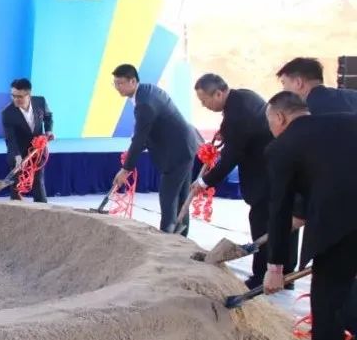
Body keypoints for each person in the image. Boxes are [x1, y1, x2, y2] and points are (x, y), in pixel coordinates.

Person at [264, 91, 357, 340]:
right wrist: (305, 212)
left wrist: (275, 267)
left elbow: (279, 209)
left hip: (341, 228)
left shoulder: (281, 147)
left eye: (270, 122)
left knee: (327, 303)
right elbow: (334, 171)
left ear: (280, 117)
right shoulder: (347, 120)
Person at [192, 74, 297, 289]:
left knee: (262, 223)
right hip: (281, 169)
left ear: (218, 93)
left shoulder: (237, 114)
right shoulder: (243, 97)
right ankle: (287, 274)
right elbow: (244, 131)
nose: (204, 105)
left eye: (204, 100)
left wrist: (204, 182)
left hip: (265, 174)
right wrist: (227, 134)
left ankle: (261, 276)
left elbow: (230, 156)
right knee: (286, 221)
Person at [111, 64, 201, 234]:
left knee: (169, 197)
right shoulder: (146, 91)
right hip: (185, 145)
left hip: (177, 151)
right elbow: (146, 132)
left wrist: (125, 170)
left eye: (120, 83)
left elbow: (140, 138)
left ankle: (166, 239)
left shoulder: (144, 103)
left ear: (132, 81)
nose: (117, 87)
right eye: (115, 83)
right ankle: (180, 238)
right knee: (181, 197)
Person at [0, 78, 53, 202]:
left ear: (29, 94)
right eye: (13, 95)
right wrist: (18, 157)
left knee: (38, 181)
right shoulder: (7, 113)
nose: (15, 99)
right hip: (18, 151)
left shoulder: (40, 101)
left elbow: (48, 116)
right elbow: (10, 139)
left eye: (19, 96)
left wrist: (49, 131)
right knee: (16, 185)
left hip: (38, 151)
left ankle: (42, 208)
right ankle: (16, 208)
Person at [276, 57, 357, 114]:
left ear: (298, 83)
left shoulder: (307, 114)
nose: (283, 89)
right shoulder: (352, 95)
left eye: (284, 83)